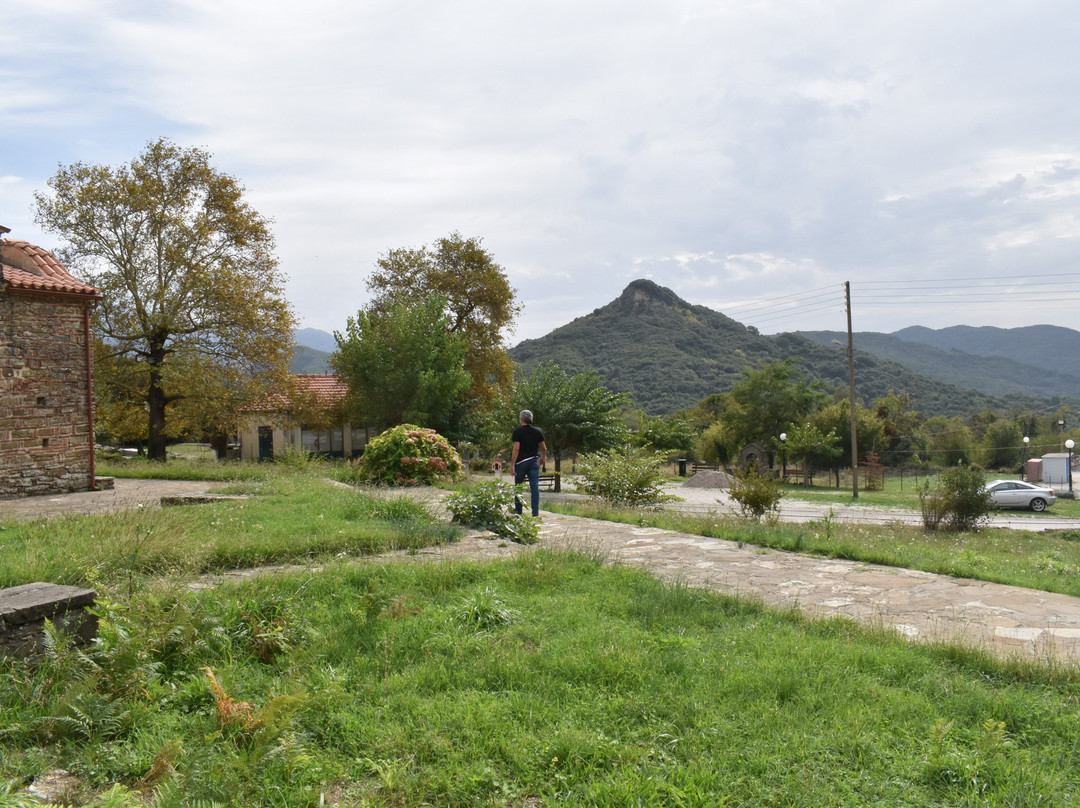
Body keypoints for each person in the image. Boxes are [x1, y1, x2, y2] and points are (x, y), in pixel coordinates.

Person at [510, 409, 547, 517]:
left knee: (518, 486)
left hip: (521, 462)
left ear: (521, 419)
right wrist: (542, 458)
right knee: (534, 486)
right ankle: (535, 512)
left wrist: (512, 465)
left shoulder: (518, 431)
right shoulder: (537, 431)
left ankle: (518, 510)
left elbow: (516, 448)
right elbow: (544, 447)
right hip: (534, 462)